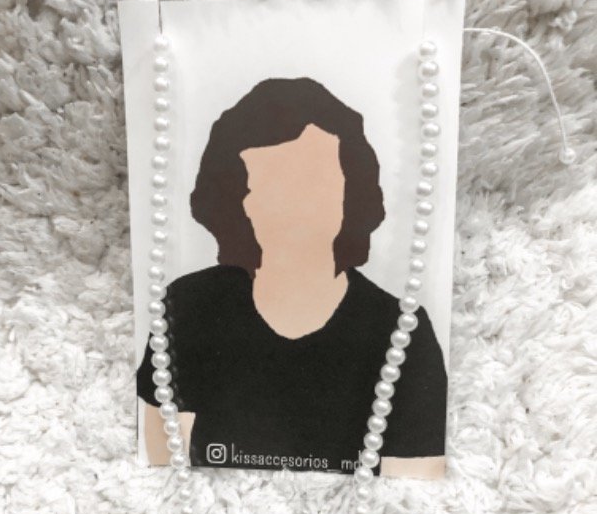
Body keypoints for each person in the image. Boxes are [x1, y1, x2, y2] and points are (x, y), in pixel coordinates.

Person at [137, 77, 447, 479]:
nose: (295, 205)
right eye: (271, 184)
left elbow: (412, 492)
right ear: (239, 200)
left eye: (313, 181)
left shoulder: (404, 333)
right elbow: (161, 471)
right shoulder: (190, 308)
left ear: (352, 190)